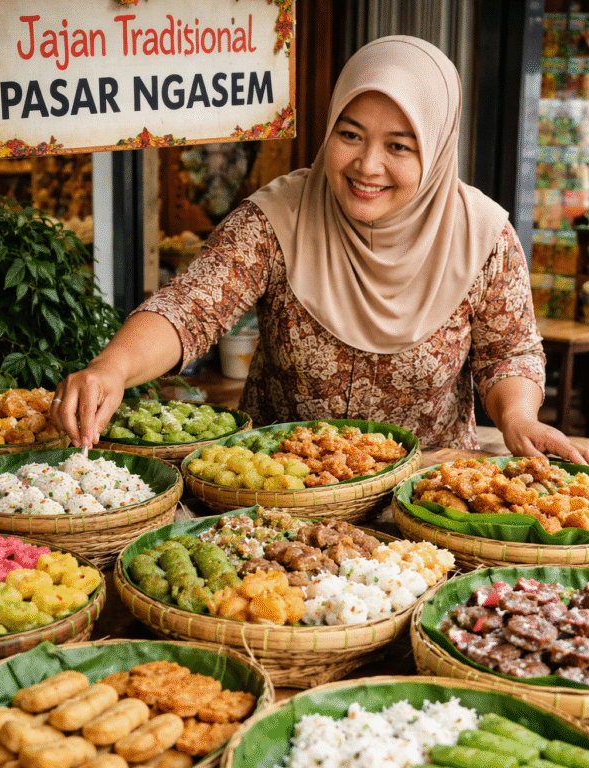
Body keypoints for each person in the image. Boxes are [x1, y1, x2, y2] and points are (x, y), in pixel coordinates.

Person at [51, 35, 589, 465]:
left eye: (399, 146)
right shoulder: (279, 215)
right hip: (277, 493)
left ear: (439, 147)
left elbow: (509, 353)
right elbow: (190, 309)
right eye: (350, 135)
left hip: (427, 502)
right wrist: (111, 369)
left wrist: (518, 418)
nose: (367, 165)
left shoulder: (484, 236)